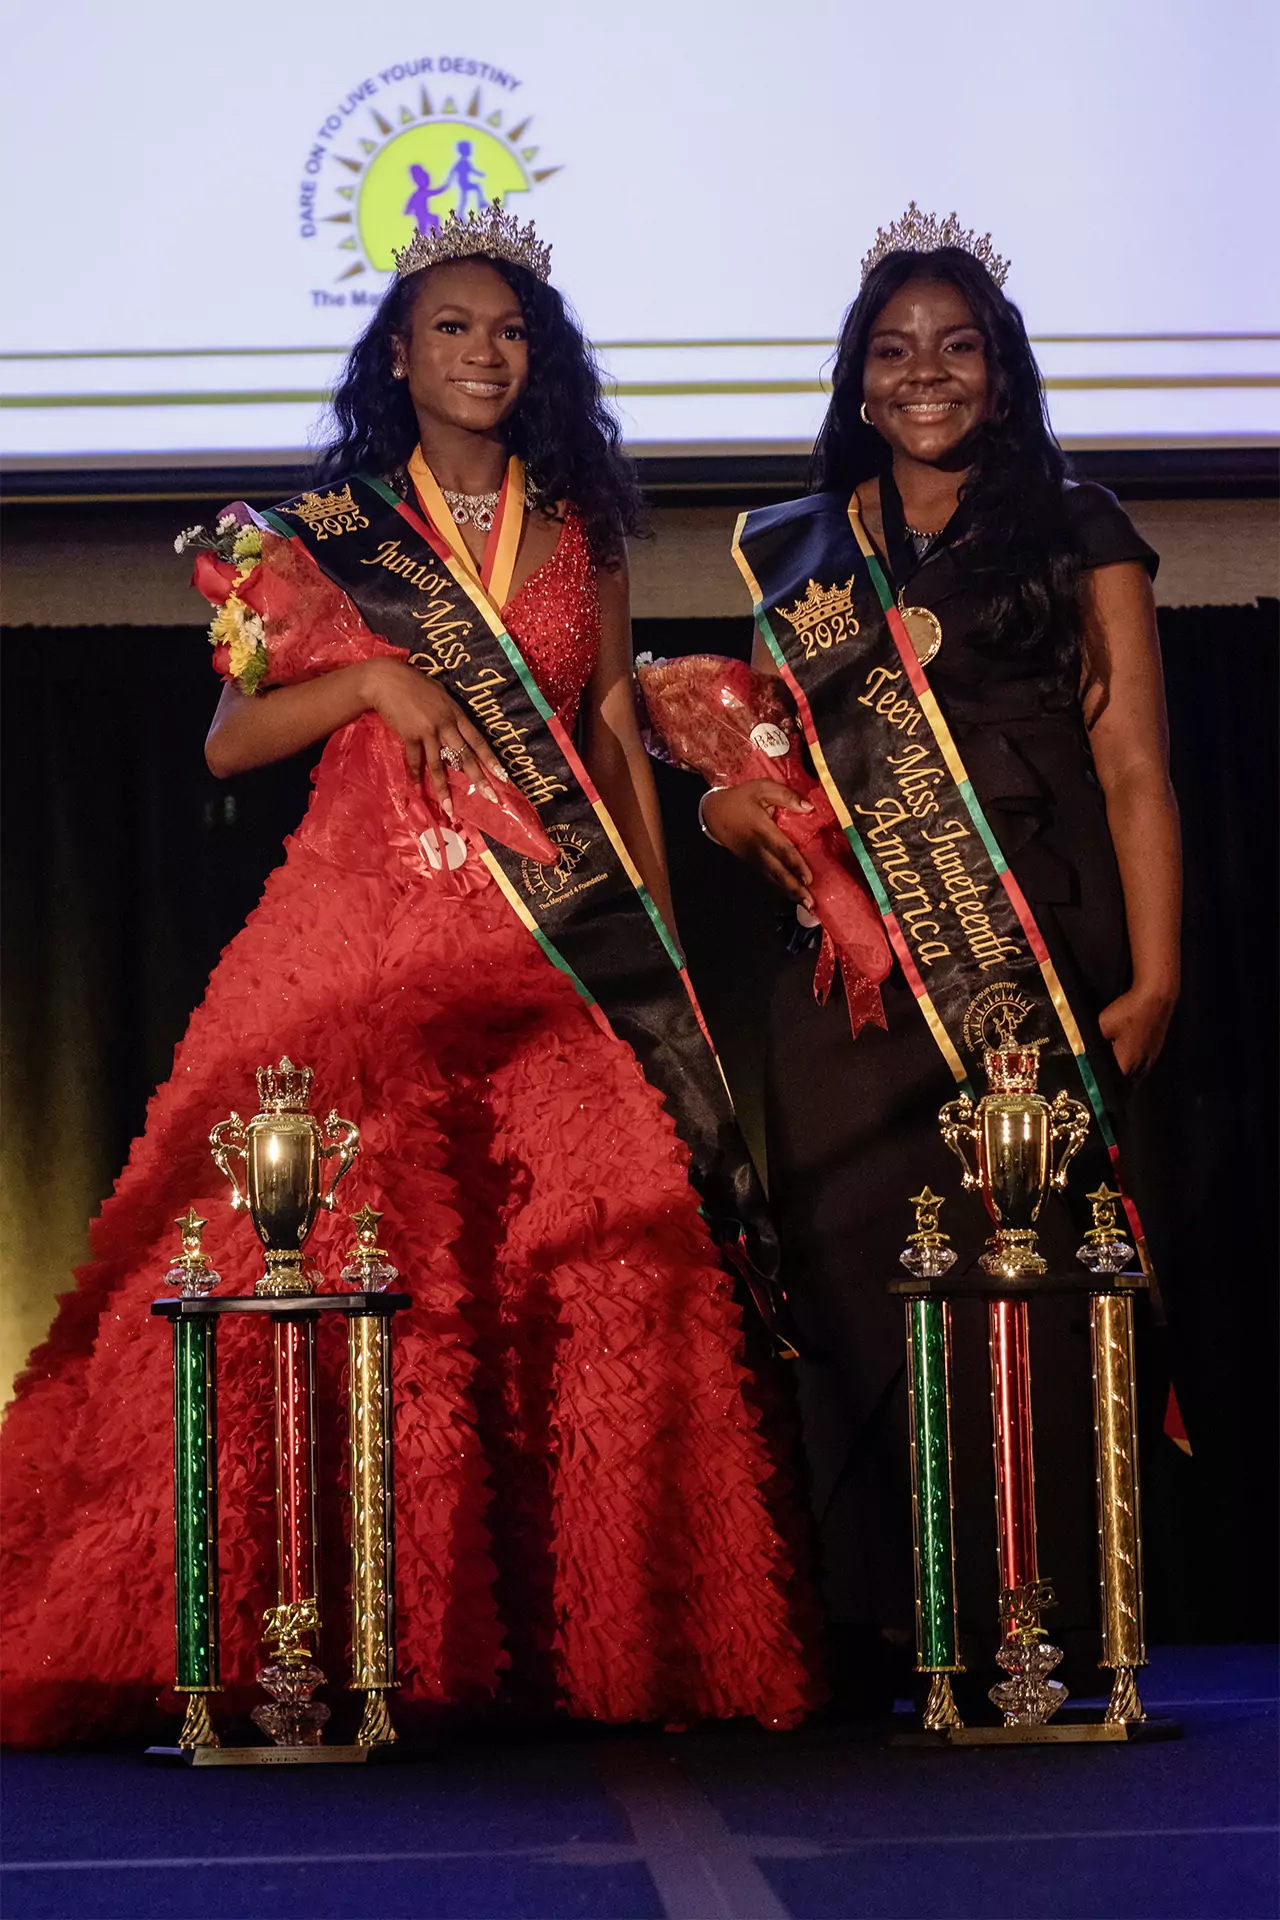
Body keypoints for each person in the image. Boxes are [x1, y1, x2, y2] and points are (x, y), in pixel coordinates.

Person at [0, 207, 818, 1746]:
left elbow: (603, 755)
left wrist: (654, 934)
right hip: (363, 933)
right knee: (323, 1270)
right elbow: (231, 740)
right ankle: (319, 1631)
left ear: (540, 357)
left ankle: (602, 1646)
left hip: (547, 940)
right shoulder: (328, 538)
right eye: (452, 327)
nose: (483, 352)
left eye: (508, 330)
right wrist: (374, 676)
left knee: (596, 1274)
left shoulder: (580, 534)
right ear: (399, 354)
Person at [703, 207, 1180, 1704]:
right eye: (896, 352)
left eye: (957, 347)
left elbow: (1135, 772)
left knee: (1022, 1280)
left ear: (1001, 368)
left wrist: (1156, 976)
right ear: (858, 384)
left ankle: (1037, 1628)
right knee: (857, 1280)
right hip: (848, 966)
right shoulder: (808, 547)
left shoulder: (1078, 524)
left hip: (1024, 939)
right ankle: (890, 1627)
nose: (927, 375)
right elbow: (772, 757)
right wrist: (724, 807)